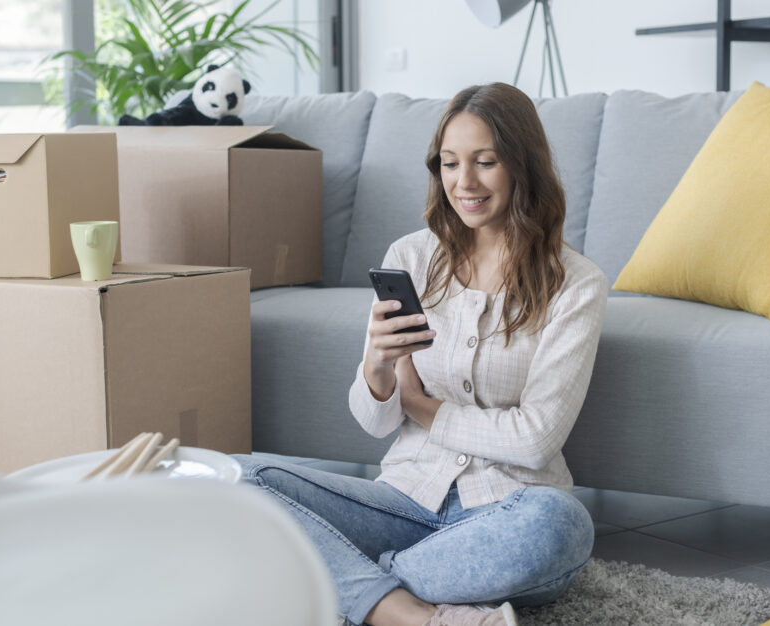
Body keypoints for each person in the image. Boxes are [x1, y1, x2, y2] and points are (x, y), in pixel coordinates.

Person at [235, 82, 608, 626]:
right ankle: (409, 612)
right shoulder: (409, 256)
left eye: (486, 162)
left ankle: (350, 582)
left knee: (563, 526)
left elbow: (535, 440)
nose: (465, 183)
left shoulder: (576, 284)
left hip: (509, 510)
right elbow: (374, 421)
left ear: (522, 166)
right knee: (241, 477)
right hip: (404, 501)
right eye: (450, 164)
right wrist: (379, 368)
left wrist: (423, 407)